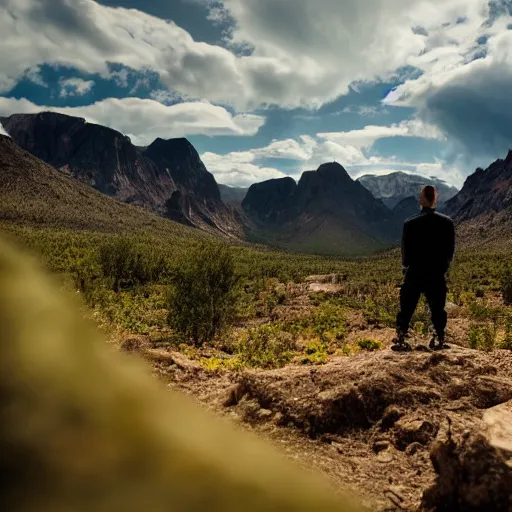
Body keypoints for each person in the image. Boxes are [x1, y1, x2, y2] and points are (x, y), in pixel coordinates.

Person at [394, 185, 456, 350]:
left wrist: (406, 267)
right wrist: (442, 268)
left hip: (415, 271)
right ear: (435, 199)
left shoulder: (410, 223)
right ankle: (439, 339)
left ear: (422, 200)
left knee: (406, 306)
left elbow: (405, 252)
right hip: (436, 273)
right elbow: (450, 251)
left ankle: (400, 338)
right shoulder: (447, 223)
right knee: (437, 308)